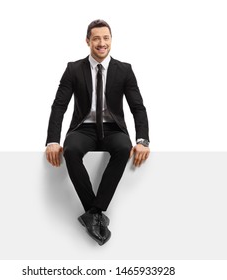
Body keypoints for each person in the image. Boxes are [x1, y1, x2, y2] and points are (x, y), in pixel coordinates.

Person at [45, 19, 150, 245]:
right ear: (88, 41)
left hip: (113, 129)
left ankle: (94, 213)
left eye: (106, 38)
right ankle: (96, 214)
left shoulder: (125, 70)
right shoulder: (73, 69)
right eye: (96, 39)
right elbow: (59, 105)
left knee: (124, 148)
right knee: (71, 150)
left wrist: (142, 140)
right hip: (83, 128)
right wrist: (52, 141)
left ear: (111, 40)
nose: (101, 43)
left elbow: (137, 107)